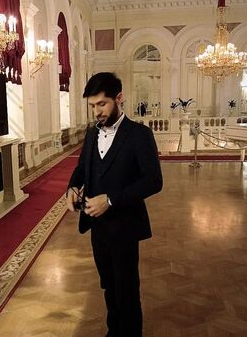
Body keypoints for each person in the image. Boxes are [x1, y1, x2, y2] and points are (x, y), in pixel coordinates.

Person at [66, 72, 163, 337]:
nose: (96, 111)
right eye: (92, 106)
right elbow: (82, 167)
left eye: (102, 104)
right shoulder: (91, 134)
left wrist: (110, 200)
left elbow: (153, 181)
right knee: (108, 285)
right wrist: (72, 187)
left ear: (119, 98)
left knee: (126, 289)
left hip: (125, 226)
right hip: (97, 227)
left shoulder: (139, 135)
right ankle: (114, 331)